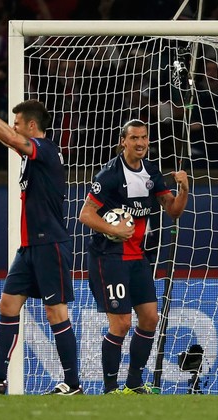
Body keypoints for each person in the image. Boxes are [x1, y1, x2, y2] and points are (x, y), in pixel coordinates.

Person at [0, 89, 82, 396]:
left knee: (56, 312)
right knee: (7, 303)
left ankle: (73, 382)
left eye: (17, 122)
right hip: (30, 247)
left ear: (31, 126)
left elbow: (12, 139)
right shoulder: (31, 151)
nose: (13, 128)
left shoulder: (46, 149)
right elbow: (6, 137)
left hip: (49, 243)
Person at [78, 119, 189, 394]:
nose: (140, 143)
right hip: (109, 257)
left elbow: (173, 211)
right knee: (122, 323)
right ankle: (110, 387)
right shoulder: (109, 175)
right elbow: (86, 214)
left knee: (150, 319)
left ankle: (134, 383)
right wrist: (113, 228)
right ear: (123, 142)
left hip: (138, 257)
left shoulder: (151, 173)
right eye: (134, 138)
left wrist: (184, 189)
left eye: (144, 138)